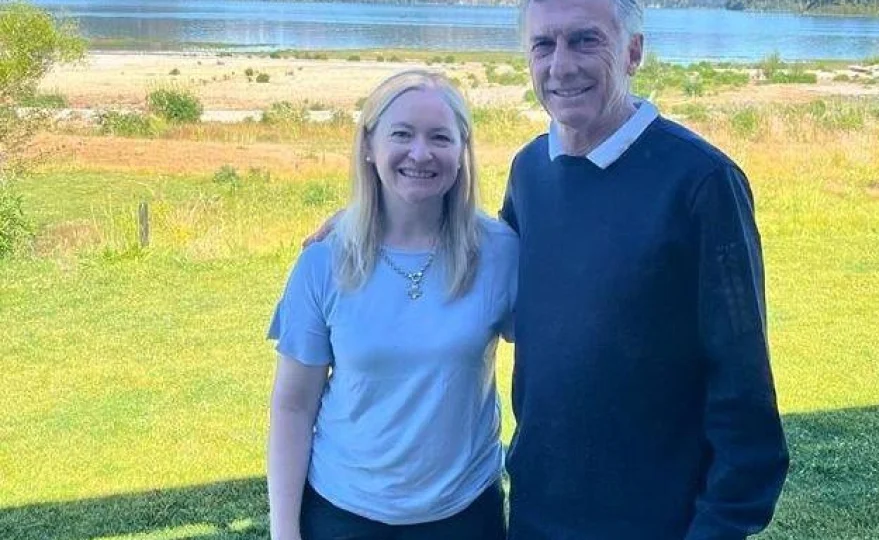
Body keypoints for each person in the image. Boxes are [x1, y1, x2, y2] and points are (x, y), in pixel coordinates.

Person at [308, 0, 789, 536]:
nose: (561, 65)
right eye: (544, 44)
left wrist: (718, 525)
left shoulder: (702, 183)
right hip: (537, 512)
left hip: (656, 519)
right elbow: (474, 258)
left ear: (633, 52)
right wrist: (372, 218)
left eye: (585, 40)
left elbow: (744, 390)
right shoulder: (531, 170)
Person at [267, 69, 517, 540]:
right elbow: (293, 406)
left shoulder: (499, 252)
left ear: (462, 152)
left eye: (440, 137)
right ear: (369, 144)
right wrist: (284, 530)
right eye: (401, 134)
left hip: (464, 515)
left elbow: (560, 349)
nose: (420, 153)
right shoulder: (324, 262)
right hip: (343, 512)